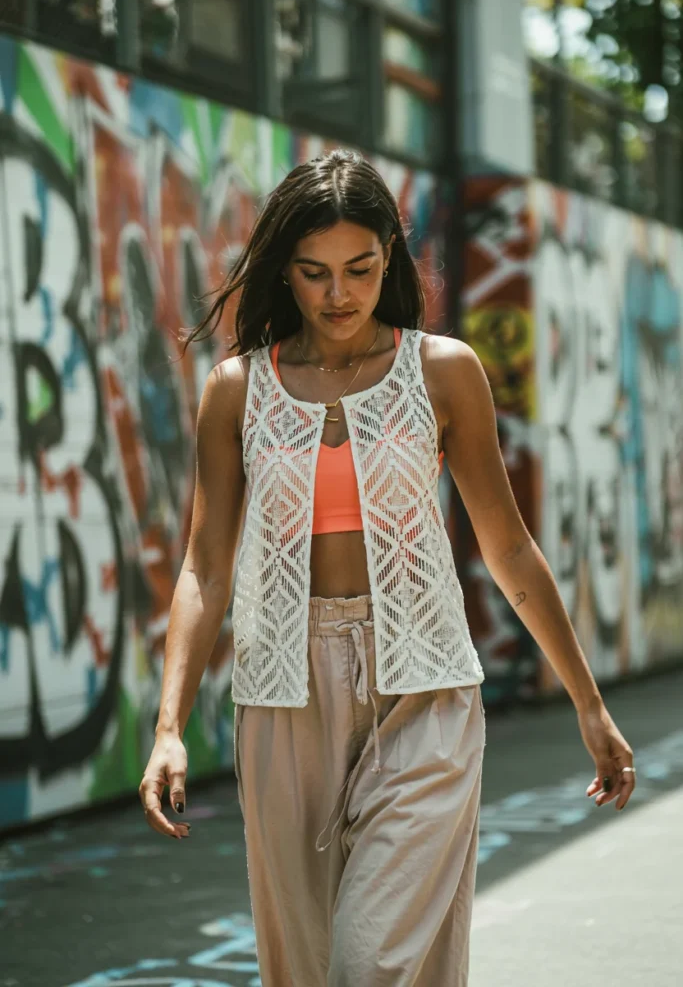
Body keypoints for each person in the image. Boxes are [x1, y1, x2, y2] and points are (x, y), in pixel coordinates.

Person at [139, 149, 636, 986]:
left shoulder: (441, 371)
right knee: (304, 967)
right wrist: (167, 727)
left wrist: (588, 704)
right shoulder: (236, 390)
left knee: (368, 963)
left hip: (425, 689)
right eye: (315, 272)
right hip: (282, 693)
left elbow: (508, 546)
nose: (340, 294)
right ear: (284, 275)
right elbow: (204, 567)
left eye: (361, 269)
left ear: (390, 263)